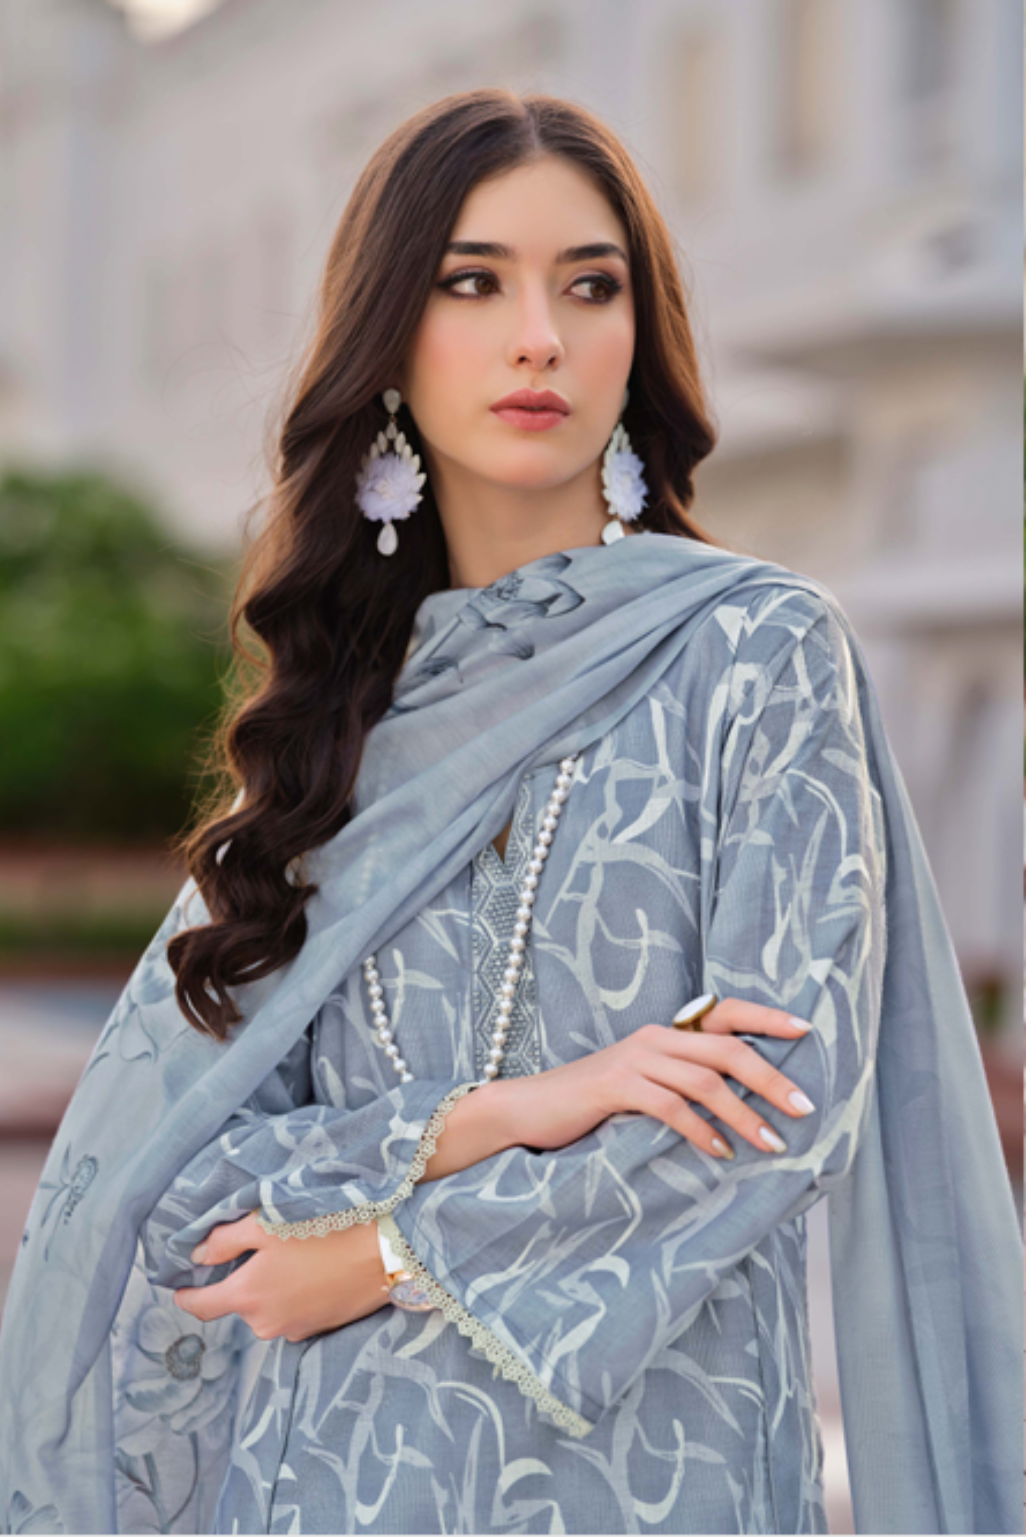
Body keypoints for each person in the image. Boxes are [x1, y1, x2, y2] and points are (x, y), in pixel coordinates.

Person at [0, 90, 1020, 1538]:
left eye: (586, 285)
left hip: (654, 1470)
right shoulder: (338, 716)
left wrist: (384, 1251)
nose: (536, 333)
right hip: (328, 1475)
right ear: (390, 343)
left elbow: (773, 1110)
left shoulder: (750, 650)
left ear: (634, 342)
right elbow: (185, 1178)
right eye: (470, 282)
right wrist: (516, 1108)